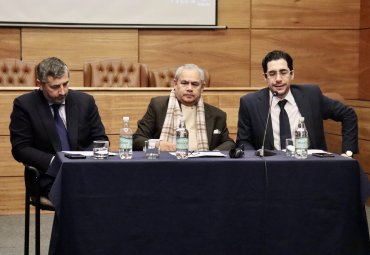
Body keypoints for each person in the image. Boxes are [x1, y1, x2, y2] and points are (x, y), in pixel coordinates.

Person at [9, 57, 108, 197]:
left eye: (65, 84)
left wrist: (80, 163)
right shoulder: (25, 105)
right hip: (48, 175)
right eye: (55, 87)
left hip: (84, 172)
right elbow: (20, 149)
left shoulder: (85, 101)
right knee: (74, 195)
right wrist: (56, 163)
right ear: (40, 84)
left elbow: (101, 140)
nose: (62, 92)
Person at [236, 50, 358, 156]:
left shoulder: (311, 96)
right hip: (269, 169)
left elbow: (348, 114)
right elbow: (243, 141)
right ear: (265, 77)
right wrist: (256, 160)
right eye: (272, 74)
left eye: (283, 72)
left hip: (309, 166)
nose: (278, 79)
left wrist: (348, 152)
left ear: (292, 74)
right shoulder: (250, 103)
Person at [133, 63, 235, 151]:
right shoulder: (158, 106)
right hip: (166, 164)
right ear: (175, 84)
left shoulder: (217, 115)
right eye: (184, 83)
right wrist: (157, 144)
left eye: (195, 84)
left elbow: (229, 143)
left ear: (202, 88)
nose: (189, 88)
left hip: (202, 166)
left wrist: (211, 154)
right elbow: (137, 140)